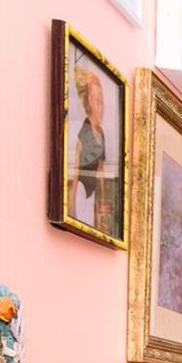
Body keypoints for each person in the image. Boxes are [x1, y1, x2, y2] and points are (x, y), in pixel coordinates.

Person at [69, 65, 116, 236]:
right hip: (83, 192)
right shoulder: (84, 132)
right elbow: (75, 170)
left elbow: (101, 169)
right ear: (88, 103)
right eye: (97, 102)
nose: (101, 108)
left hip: (93, 193)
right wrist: (71, 204)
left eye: (102, 102)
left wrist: (102, 199)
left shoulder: (101, 134)